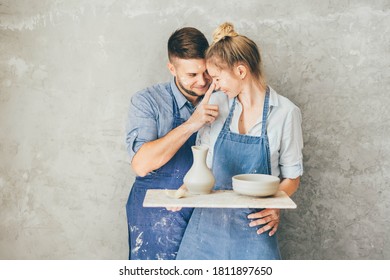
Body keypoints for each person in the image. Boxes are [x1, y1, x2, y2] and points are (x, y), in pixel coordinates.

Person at [176, 22, 303, 260]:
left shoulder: (286, 113)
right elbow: (202, 164)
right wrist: (184, 191)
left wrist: (275, 206)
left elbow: (293, 178)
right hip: (207, 229)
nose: (213, 85)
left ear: (241, 71)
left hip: (255, 226)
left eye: (217, 78)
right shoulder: (215, 104)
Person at [125, 27, 219, 260]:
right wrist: (192, 123)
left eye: (206, 72)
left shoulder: (223, 95)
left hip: (206, 208)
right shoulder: (147, 101)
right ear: (172, 68)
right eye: (191, 75)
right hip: (157, 213)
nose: (202, 81)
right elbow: (141, 164)